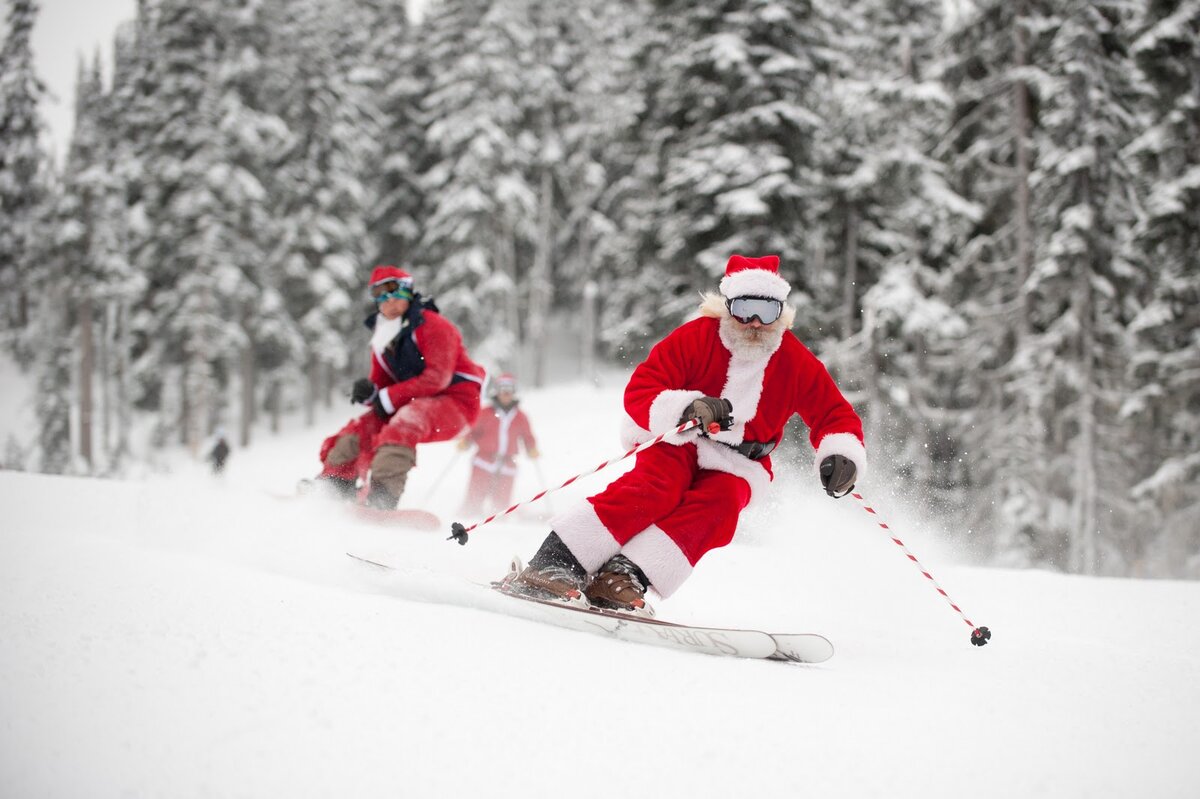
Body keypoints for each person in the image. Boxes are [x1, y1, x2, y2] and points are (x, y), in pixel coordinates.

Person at [510, 254, 865, 615]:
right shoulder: (696, 338)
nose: (755, 323)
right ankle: (556, 560)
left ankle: (622, 576)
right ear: (728, 307)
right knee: (657, 488)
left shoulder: (794, 360)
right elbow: (642, 389)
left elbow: (833, 413)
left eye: (767, 311)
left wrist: (842, 453)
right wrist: (687, 409)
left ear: (781, 313)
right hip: (680, 437)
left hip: (738, 461)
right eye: (744, 309)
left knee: (722, 505)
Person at [314, 265, 485, 509]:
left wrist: (386, 397)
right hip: (410, 403)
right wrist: (370, 393)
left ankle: (382, 499)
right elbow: (382, 384)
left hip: (456, 404)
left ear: (408, 293)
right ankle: (334, 487)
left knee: (405, 422)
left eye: (396, 295)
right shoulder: (384, 335)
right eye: (381, 296)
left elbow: (437, 378)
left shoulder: (434, 325)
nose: (389, 302)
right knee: (359, 430)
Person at [458, 373, 540, 515]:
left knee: (502, 497)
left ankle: (498, 518)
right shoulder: (486, 413)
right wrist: (466, 441)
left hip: (507, 463)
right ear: (497, 391)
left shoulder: (520, 416)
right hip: (484, 460)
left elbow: (527, 436)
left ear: (513, 392)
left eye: (509, 390)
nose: (506, 394)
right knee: (476, 491)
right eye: (503, 390)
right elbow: (474, 431)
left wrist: (531, 448)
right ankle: (469, 514)